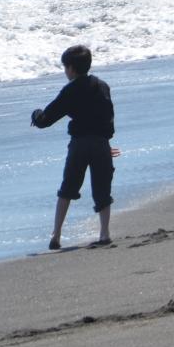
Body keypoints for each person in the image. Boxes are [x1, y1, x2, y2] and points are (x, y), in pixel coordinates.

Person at [31, 44, 120, 249]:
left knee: (67, 188)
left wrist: (36, 116)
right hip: (100, 143)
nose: (65, 72)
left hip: (79, 144)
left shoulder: (70, 90)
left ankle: (56, 234)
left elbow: (47, 118)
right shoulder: (102, 86)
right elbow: (109, 116)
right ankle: (105, 233)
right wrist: (106, 142)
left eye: (65, 68)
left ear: (71, 68)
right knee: (102, 188)